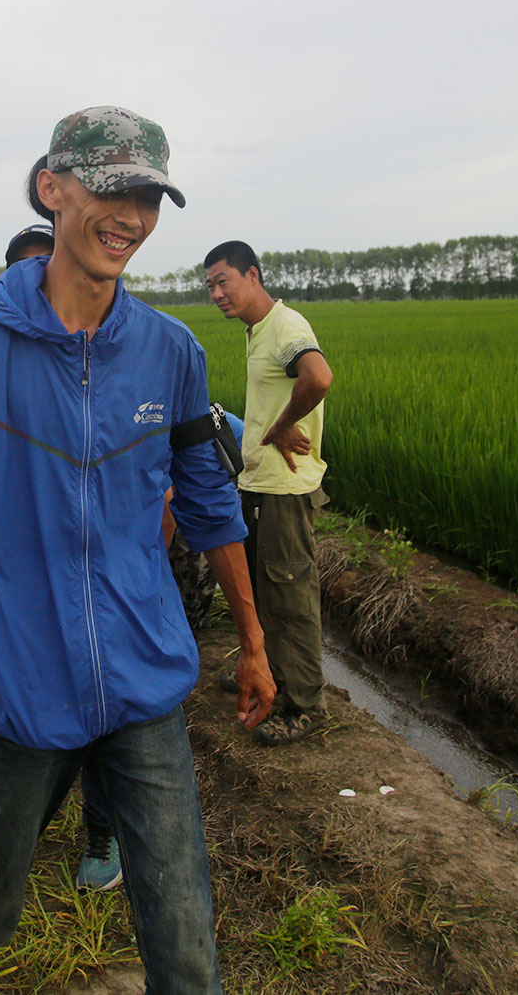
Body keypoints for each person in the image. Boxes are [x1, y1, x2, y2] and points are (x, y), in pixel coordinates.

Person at [0, 108, 275, 994]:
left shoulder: (169, 352)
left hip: (142, 681)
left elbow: (208, 503)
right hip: (20, 686)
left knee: (187, 947)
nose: (131, 215)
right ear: (53, 189)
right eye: (113, 189)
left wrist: (256, 643)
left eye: (148, 196)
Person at [0, 219, 126, 891]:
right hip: (19, 597)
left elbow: (157, 484)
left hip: (104, 594)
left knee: (103, 726)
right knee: (21, 729)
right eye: (33, 270)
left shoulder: (125, 355)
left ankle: (102, 831)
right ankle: (5, 838)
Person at [202, 240, 334, 747]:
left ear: (252, 275)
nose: (217, 293)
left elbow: (318, 377)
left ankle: (305, 704)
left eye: (223, 281)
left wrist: (282, 427)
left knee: (289, 595)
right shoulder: (259, 332)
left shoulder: (286, 326)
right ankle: (264, 673)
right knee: (260, 590)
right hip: (257, 483)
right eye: (210, 285)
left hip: (283, 488)